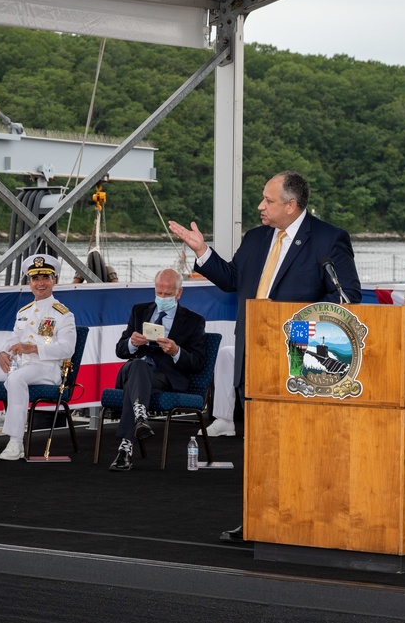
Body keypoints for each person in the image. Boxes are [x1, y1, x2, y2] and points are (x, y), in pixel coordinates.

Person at [169, 170, 361, 540]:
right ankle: (258, 517)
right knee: (257, 443)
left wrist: (294, 321)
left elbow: (347, 297)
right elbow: (231, 279)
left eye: (268, 200)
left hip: (302, 355)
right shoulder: (256, 239)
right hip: (253, 353)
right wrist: (202, 252)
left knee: (300, 442)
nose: (260, 206)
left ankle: (305, 517)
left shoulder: (328, 239)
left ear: (292, 205)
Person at [0, 254, 77, 461]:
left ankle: (15, 441)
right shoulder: (24, 312)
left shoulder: (63, 314)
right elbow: (13, 340)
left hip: (45, 368)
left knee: (15, 379)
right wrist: (3, 352)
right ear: (29, 282)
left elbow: (67, 349)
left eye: (45, 278)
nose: (40, 283)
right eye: (35, 279)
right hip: (19, 364)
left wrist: (34, 348)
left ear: (54, 281)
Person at [108, 268, 207, 471]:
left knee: (136, 379)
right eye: (159, 293)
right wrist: (132, 343)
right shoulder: (139, 310)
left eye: (168, 294)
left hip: (165, 377)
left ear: (179, 293)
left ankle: (126, 448)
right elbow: (120, 350)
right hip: (133, 370)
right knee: (137, 365)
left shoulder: (194, 320)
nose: (162, 297)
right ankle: (140, 417)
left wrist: (176, 351)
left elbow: (198, 363)